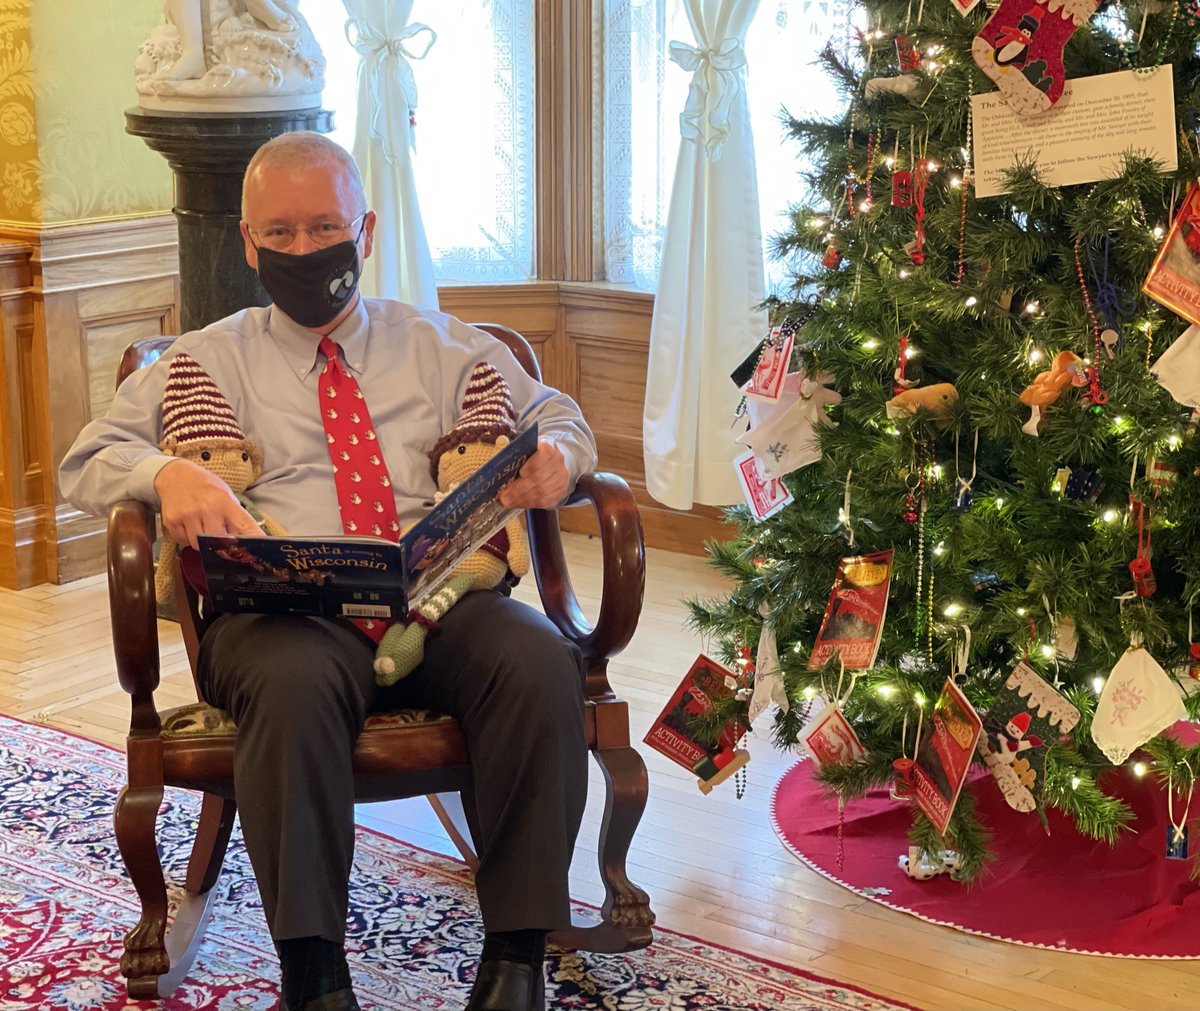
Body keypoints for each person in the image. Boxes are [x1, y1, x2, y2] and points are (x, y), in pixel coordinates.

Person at [59, 131, 597, 1011]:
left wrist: (561, 460)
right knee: (295, 682)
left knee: (539, 660)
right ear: (247, 242)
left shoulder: (442, 343)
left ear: (367, 229)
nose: (304, 250)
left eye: (323, 227)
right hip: (280, 615)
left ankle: (516, 961)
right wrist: (166, 472)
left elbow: (558, 413)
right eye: (281, 234)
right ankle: (315, 976)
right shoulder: (204, 357)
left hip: (439, 600)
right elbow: (89, 458)